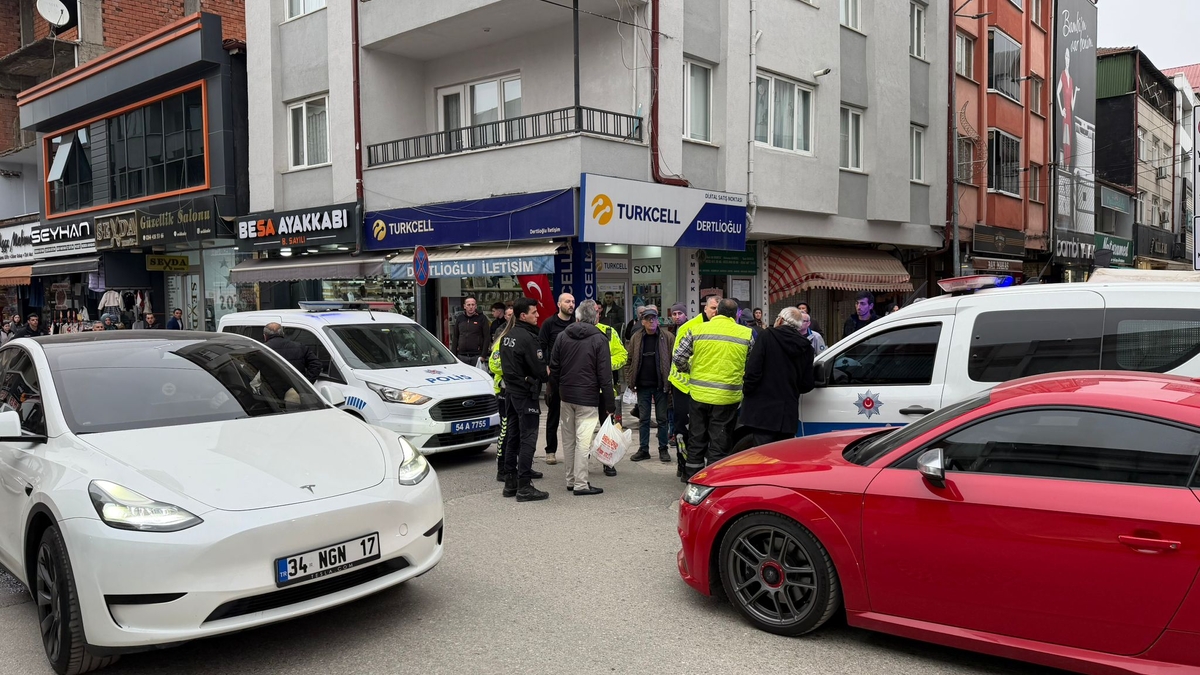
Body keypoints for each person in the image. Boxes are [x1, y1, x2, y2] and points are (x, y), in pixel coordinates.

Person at [673, 299, 753, 480]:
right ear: (736, 315)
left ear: (717, 312)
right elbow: (753, 364)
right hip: (727, 397)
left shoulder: (697, 329)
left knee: (696, 438)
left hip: (699, 395)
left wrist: (690, 370)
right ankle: (713, 482)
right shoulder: (746, 334)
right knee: (720, 443)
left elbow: (678, 358)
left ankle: (692, 477)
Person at [549, 299, 613, 496]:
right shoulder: (600, 339)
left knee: (568, 440)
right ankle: (581, 483)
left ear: (577, 317)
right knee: (583, 441)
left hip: (566, 396)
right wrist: (610, 403)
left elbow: (554, 367)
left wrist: (555, 390)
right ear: (595, 319)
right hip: (587, 397)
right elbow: (605, 374)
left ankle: (571, 480)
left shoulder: (562, 336)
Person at [741, 307, 815, 448]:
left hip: (762, 411)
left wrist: (748, 391)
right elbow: (807, 383)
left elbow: (753, 371)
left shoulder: (766, 336)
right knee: (783, 457)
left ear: (780, 320)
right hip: (787, 414)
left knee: (762, 457)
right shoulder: (806, 347)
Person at [499, 297, 550, 502]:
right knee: (528, 438)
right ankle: (524, 485)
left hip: (510, 393)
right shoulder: (529, 339)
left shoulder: (506, 337)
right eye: (534, 313)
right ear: (523, 316)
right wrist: (544, 371)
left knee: (513, 436)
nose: (537, 316)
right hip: (525, 395)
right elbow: (542, 372)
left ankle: (510, 481)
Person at [668, 296, 719, 478]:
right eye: (712, 308)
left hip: (704, 386)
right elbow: (679, 356)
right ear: (705, 308)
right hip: (684, 385)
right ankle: (683, 464)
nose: (715, 312)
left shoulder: (720, 327)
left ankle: (699, 466)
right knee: (683, 428)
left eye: (718, 308)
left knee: (702, 429)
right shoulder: (689, 327)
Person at [626, 305, 674, 463]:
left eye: (654, 318)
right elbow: (630, 361)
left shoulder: (667, 337)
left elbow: (674, 360)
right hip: (643, 385)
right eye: (648, 318)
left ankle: (663, 449)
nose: (652, 321)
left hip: (662, 385)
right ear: (643, 321)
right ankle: (643, 449)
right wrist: (630, 379)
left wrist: (672, 383)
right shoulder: (636, 338)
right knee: (644, 419)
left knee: (662, 419)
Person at [538, 293, 575, 466]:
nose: (571, 304)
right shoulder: (549, 324)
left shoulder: (577, 323)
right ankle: (550, 451)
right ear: (559, 304)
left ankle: (577, 451)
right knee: (553, 414)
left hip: (574, 376)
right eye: (567, 301)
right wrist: (546, 366)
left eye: (573, 302)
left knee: (575, 415)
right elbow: (541, 346)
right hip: (555, 376)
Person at [594, 309, 629, 477]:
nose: (594, 315)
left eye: (596, 312)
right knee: (581, 429)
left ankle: (608, 462)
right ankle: (580, 463)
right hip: (583, 390)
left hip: (605, 390)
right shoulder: (574, 332)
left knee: (607, 427)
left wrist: (605, 365)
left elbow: (622, 355)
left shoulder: (609, 332)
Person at [450, 297, 490, 365]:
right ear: (464, 306)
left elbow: (487, 337)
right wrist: (453, 355)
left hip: (476, 356)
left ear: (476, 306)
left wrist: (483, 355)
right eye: (468, 305)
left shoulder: (482, 318)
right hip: (461, 356)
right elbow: (455, 337)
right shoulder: (460, 319)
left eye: (473, 305)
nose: (471, 307)